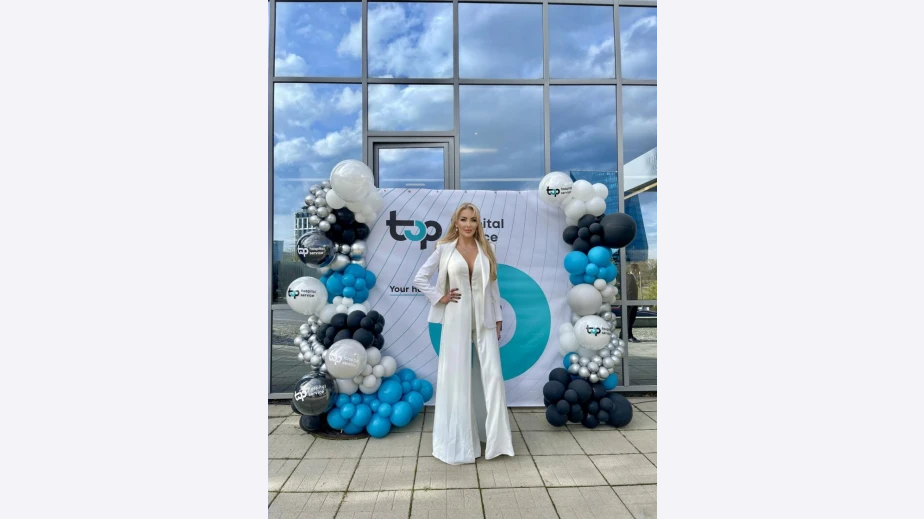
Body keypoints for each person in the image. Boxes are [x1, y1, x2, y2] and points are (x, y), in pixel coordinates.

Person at [413, 202, 514, 465]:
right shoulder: (444, 248)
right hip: (456, 316)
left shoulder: (487, 248)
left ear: (478, 224)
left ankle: (496, 442)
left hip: (485, 319)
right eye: (464, 219)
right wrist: (440, 297)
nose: (468, 224)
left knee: (493, 376)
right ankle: (459, 444)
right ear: (456, 223)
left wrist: (498, 317)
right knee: (456, 376)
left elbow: (493, 287)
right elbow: (420, 278)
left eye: (473, 220)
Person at [626, 263, 641, 342]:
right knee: (630, 319)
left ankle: (623, 335)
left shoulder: (630, 277)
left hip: (630, 302)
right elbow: (629, 290)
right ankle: (629, 336)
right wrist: (631, 302)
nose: (639, 270)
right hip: (630, 302)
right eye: (638, 269)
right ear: (634, 269)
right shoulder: (630, 278)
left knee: (629, 319)